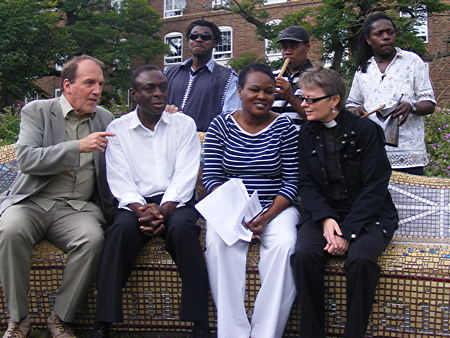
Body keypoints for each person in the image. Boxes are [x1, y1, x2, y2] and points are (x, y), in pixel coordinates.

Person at [0, 55, 115, 338]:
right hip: (33, 201)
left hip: (77, 209)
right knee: (9, 229)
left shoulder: (105, 118)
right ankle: (18, 320)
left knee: (92, 239)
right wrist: (76, 146)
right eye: (89, 83)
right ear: (67, 85)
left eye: (100, 84)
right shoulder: (37, 111)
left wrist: (169, 115)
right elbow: (26, 159)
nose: (97, 91)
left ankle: (61, 318)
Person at [91, 65, 210, 338]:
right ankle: (103, 322)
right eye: (150, 89)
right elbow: (119, 178)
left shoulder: (184, 124)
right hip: (135, 205)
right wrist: (142, 209)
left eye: (163, 88)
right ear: (134, 94)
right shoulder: (117, 129)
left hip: (176, 202)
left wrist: (164, 210)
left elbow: (186, 173)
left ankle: (199, 322)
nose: (159, 94)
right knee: (119, 232)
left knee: (183, 230)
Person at [291, 67, 399, 338]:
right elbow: (306, 184)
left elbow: (375, 186)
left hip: (369, 216)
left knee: (361, 261)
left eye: (310, 99)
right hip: (326, 215)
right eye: (303, 98)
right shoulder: (306, 133)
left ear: (334, 100)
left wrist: (348, 232)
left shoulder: (366, 131)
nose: (304, 105)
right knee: (303, 256)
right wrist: (326, 219)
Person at [203, 63, 300, 338]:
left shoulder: (284, 127)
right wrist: (237, 214)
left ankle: (265, 333)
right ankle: (232, 333)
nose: (262, 96)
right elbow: (211, 176)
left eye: (269, 92)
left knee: (284, 246)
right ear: (240, 91)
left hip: (276, 208)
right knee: (218, 244)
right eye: (254, 90)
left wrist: (266, 216)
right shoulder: (221, 125)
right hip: (230, 208)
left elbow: (292, 181)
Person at [346, 12, 436, 175]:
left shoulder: (412, 61)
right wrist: (354, 110)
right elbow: (352, 103)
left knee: (410, 200)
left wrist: (412, 107)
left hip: (408, 153)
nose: (386, 37)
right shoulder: (364, 68)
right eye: (379, 34)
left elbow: (429, 103)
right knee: (377, 199)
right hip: (372, 151)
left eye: (390, 32)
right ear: (368, 39)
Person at [165, 19, 240, 132]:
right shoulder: (169, 73)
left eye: (205, 37)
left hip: (204, 145)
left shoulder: (229, 78)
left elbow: (231, 120)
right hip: (167, 142)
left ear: (215, 42)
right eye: (194, 36)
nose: (198, 39)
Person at [272, 26, 313, 129]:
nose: (287, 52)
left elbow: (320, 118)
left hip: (301, 142)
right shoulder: (271, 77)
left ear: (307, 47)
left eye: (294, 47)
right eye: (285, 48)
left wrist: (290, 97)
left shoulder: (319, 78)